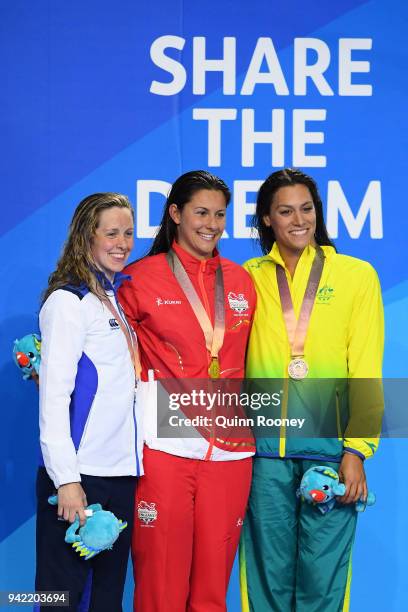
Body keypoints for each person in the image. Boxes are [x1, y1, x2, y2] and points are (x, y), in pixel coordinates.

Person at [239, 169, 384, 611]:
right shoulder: (248, 277)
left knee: (324, 579)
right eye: (285, 211)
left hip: (329, 451)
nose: (298, 219)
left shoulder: (356, 276)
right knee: (266, 578)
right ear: (267, 218)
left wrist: (357, 449)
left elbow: (365, 367)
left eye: (307, 208)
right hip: (264, 456)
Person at [118, 170, 257, 611]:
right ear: (175, 214)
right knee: (161, 582)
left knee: (213, 588)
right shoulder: (139, 278)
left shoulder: (240, 281)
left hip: (231, 451)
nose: (211, 224)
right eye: (201, 212)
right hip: (166, 444)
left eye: (220, 214)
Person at [36, 193, 143, 611]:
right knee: (57, 599)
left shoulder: (113, 298)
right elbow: (54, 397)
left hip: (119, 476)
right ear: (86, 237)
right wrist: (66, 480)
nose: (122, 243)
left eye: (129, 233)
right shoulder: (68, 302)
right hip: (80, 479)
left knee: (106, 601)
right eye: (111, 233)